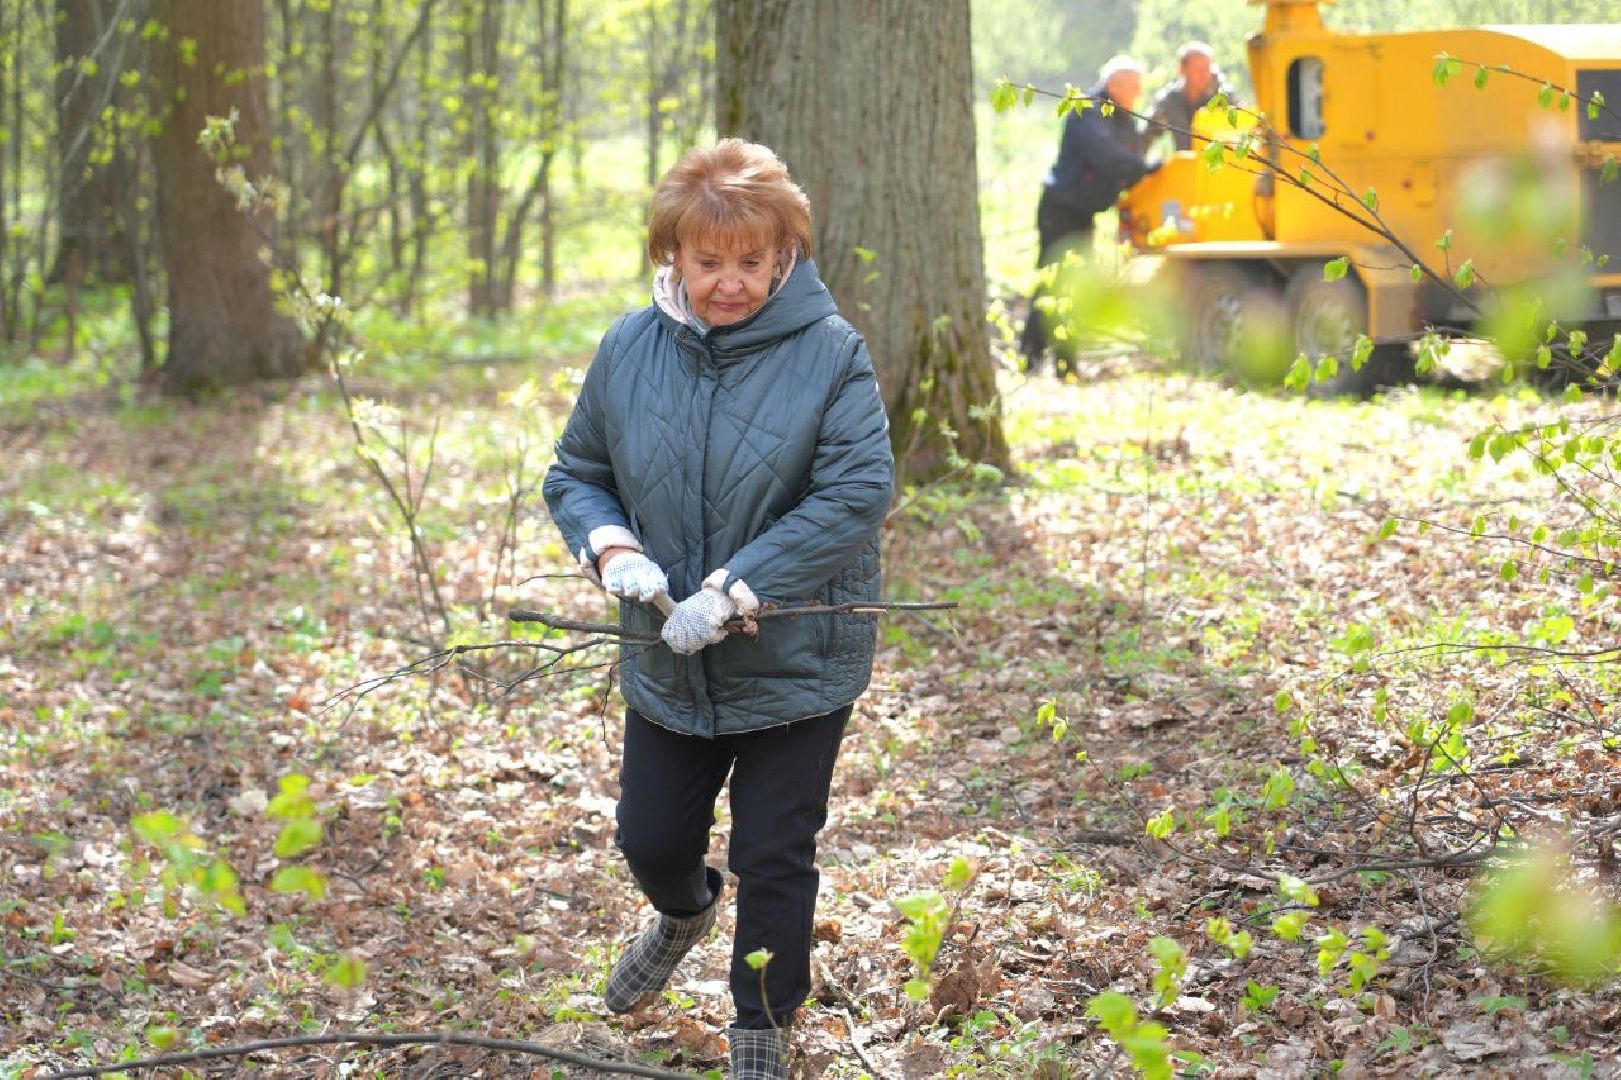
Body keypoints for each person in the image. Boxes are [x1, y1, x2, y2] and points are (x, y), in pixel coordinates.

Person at [541, 138, 894, 1080]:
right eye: (708, 263)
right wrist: (609, 545)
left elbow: (858, 489)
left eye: (750, 261)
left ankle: (761, 1032)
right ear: (673, 256)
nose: (729, 283)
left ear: (785, 254)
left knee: (774, 852)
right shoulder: (627, 349)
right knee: (651, 840)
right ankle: (684, 908)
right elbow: (577, 473)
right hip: (668, 657)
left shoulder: (830, 353)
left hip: (796, 653)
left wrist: (738, 586)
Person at [1020, 54, 1157, 374]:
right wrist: (1144, 169)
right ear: (1114, 84)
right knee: (1051, 282)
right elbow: (1108, 157)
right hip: (1061, 209)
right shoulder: (1087, 110)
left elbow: (1132, 154)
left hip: (1084, 215)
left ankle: (1066, 366)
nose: (1138, 95)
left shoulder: (1124, 118)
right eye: (1133, 88)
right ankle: (1030, 360)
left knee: (1077, 287)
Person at [1148, 42, 1242, 152]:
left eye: (1207, 68)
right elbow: (1146, 135)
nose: (1204, 74)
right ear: (1182, 70)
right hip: (1187, 165)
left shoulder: (1225, 98)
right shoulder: (1169, 101)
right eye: (1198, 69)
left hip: (1222, 165)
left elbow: (1248, 126)